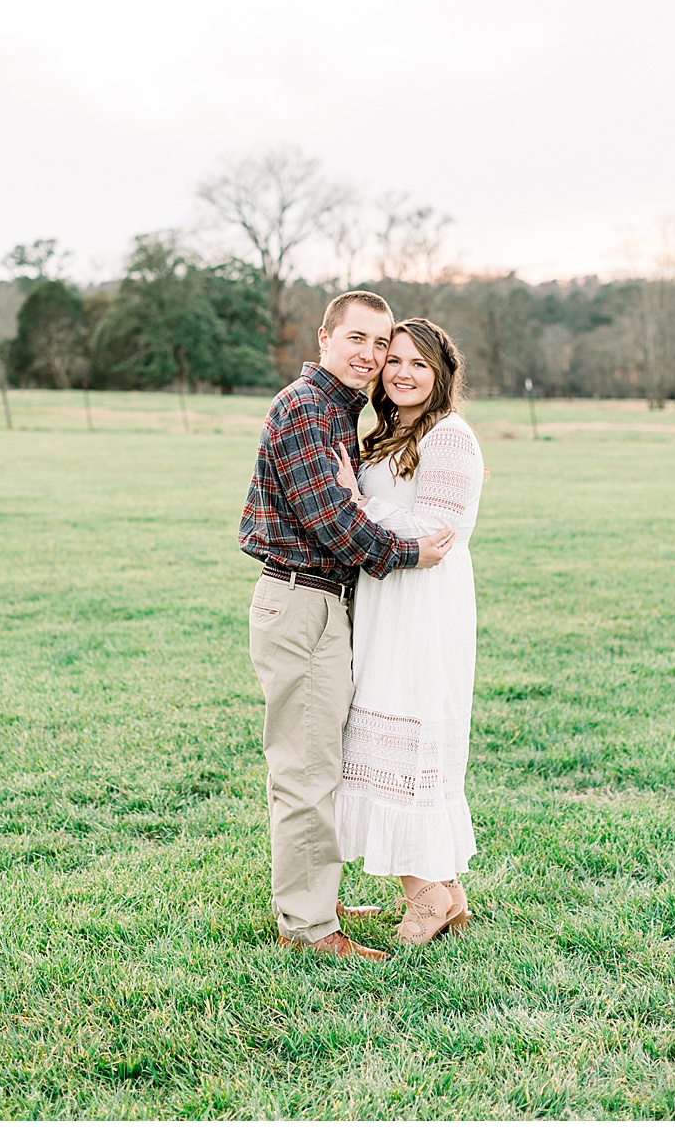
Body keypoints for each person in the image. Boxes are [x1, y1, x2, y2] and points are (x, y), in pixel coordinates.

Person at [238, 289, 455, 962]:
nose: (371, 355)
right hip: (302, 603)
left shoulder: (338, 411)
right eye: (356, 339)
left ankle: (315, 895)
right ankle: (307, 928)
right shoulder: (306, 408)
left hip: (323, 604)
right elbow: (335, 522)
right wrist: (412, 552)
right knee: (305, 770)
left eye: (380, 343)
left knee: (319, 763)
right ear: (325, 338)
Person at [330, 318, 483, 946]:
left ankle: (427, 900)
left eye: (419, 363)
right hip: (385, 602)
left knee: (411, 738)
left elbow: (438, 534)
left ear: (441, 373)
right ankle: (442, 894)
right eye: (393, 360)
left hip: (423, 608)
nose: (401, 372)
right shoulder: (390, 434)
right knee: (377, 743)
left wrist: (355, 501)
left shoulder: (450, 437)